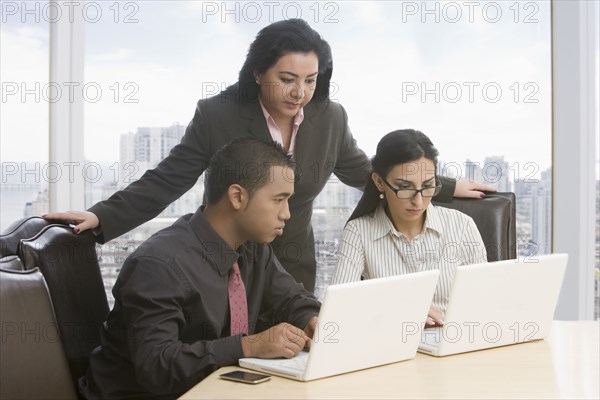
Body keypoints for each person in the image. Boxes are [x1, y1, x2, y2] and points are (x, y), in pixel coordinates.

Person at [45, 19, 493, 292]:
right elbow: (169, 178)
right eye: (287, 78)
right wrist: (101, 217)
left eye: (312, 80)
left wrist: (445, 185)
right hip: (221, 261)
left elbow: (365, 171)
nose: (300, 93)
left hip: (292, 265)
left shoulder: (330, 117)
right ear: (258, 72)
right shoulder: (217, 114)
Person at [78, 138, 320, 399]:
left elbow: (291, 299)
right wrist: (249, 346)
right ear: (237, 196)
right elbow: (158, 366)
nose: (287, 214)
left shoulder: (253, 248)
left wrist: (311, 319)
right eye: (278, 200)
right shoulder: (159, 265)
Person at [330, 130, 488, 326]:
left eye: (428, 186)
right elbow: (339, 308)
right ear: (379, 182)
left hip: (455, 341)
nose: (418, 201)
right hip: (390, 344)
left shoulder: (462, 226)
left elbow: (484, 302)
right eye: (405, 187)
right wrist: (401, 310)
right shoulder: (359, 232)